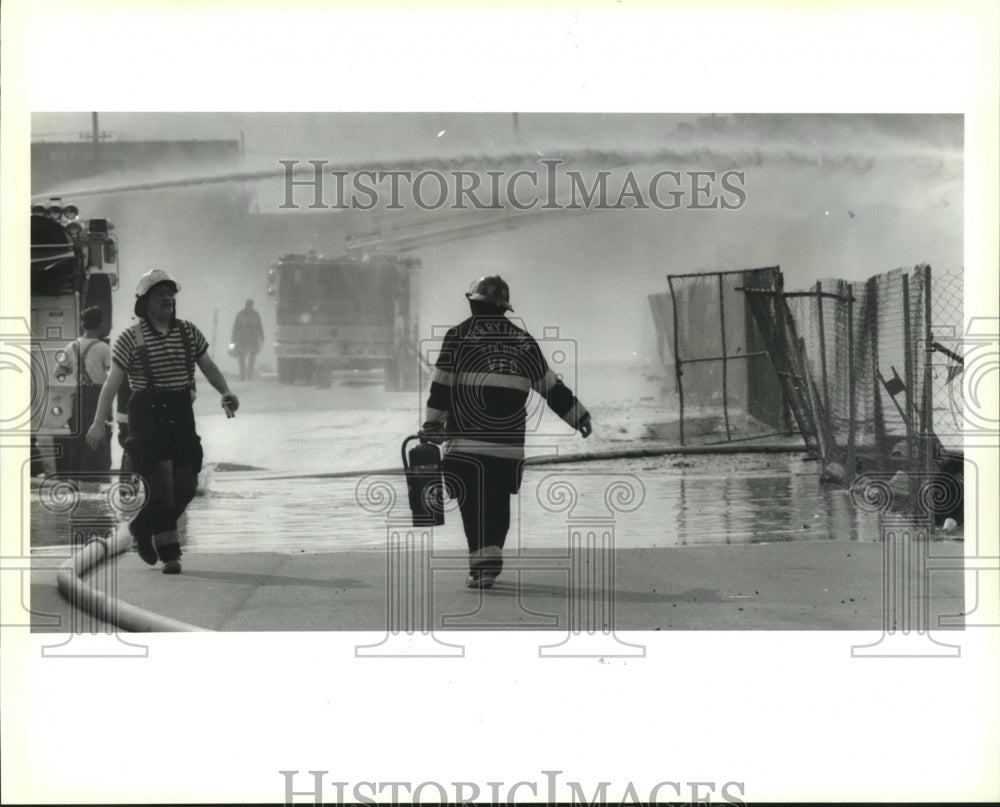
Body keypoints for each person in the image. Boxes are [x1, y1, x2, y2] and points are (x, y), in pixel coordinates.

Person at [420, 275, 592, 589]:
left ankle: (482, 566)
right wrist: (578, 416)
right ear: (504, 309)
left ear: (472, 303)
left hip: (464, 443)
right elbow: (550, 387)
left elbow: (441, 386)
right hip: (507, 445)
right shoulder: (523, 341)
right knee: (497, 501)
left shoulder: (458, 336)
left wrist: (432, 425)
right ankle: (490, 560)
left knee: (471, 503)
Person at [86, 269, 239, 574]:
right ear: (144, 304)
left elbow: (208, 367)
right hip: (147, 414)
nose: (167, 299)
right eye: (159, 295)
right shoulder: (130, 338)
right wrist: (96, 423)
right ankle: (170, 554)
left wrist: (226, 392)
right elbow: (111, 385)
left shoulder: (188, 332)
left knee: (187, 483)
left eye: (170, 294)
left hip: (180, 410)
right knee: (163, 484)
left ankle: (142, 527)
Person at [57, 306, 112, 473]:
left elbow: (58, 372)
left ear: (83, 324)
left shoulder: (71, 346)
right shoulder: (103, 348)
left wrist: (75, 370)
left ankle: (74, 482)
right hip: (98, 396)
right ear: (101, 324)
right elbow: (111, 374)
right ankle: (91, 482)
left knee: (78, 441)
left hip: (78, 396)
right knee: (96, 440)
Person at [231, 298, 265, 381]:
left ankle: (249, 375)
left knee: (251, 358)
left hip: (251, 339)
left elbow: (259, 327)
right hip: (243, 339)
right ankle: (243, 374)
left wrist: (261, 336)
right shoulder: (242, 315)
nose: (250, 306)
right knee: (242, 357)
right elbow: (236, 328)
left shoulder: (254, 315)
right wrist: (233, 340)